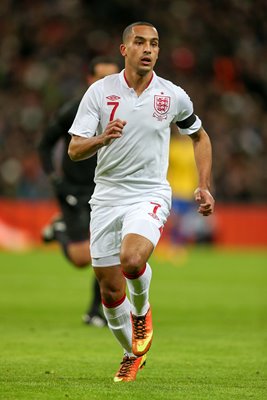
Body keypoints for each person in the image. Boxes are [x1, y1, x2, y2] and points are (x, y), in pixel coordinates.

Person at [68, 22, 215, 382]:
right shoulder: (100, 93)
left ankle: (142, 312)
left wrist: (204, 185)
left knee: (132, 261)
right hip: (106, 195)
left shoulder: (172, 95)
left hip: (148, 192)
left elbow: (199, 136)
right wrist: (102, 139)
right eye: (140, 42)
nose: (148, 49)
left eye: (154, 44)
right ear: (125, 50)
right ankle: (131, 354)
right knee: (109, 287)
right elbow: (74, 149)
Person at [38, 56, 120, 328]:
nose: (107, 84)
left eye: (112, 78)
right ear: (89, 80)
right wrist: (54, 179)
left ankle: (95, 311)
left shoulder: (124, 110)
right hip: (73, 189)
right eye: (101, 78)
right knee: (82, 259)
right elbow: (44, 145)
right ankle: (60, 228)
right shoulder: (74, 109)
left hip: (106, 190)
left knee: (108, 252)